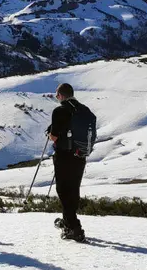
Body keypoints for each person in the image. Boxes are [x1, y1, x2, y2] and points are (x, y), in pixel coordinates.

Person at [46, 83, 95, 242]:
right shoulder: (84, 110)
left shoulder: (60, 110)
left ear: (60, 95)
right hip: (80, 155)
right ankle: (69, 221)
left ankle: (74, 227)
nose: (56, 97)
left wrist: (50, 134)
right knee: (73, 189)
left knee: (63, 190)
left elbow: (53, 136)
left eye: (56, 94)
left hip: (64, 155)